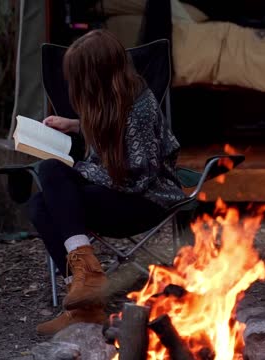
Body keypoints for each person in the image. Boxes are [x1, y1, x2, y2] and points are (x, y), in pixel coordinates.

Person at [27, 29, 185, 335]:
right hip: (115, 193)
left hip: (144, 201)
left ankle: (87, 289)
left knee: (52, 177)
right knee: (41, 198)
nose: (72, 85)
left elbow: (138, 175)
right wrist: (76, 125)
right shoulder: (110, 100)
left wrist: (81, 171)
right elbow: (113, 132)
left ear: (97, 75)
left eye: (77, 77)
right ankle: (86, 294)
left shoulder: (140, 107)